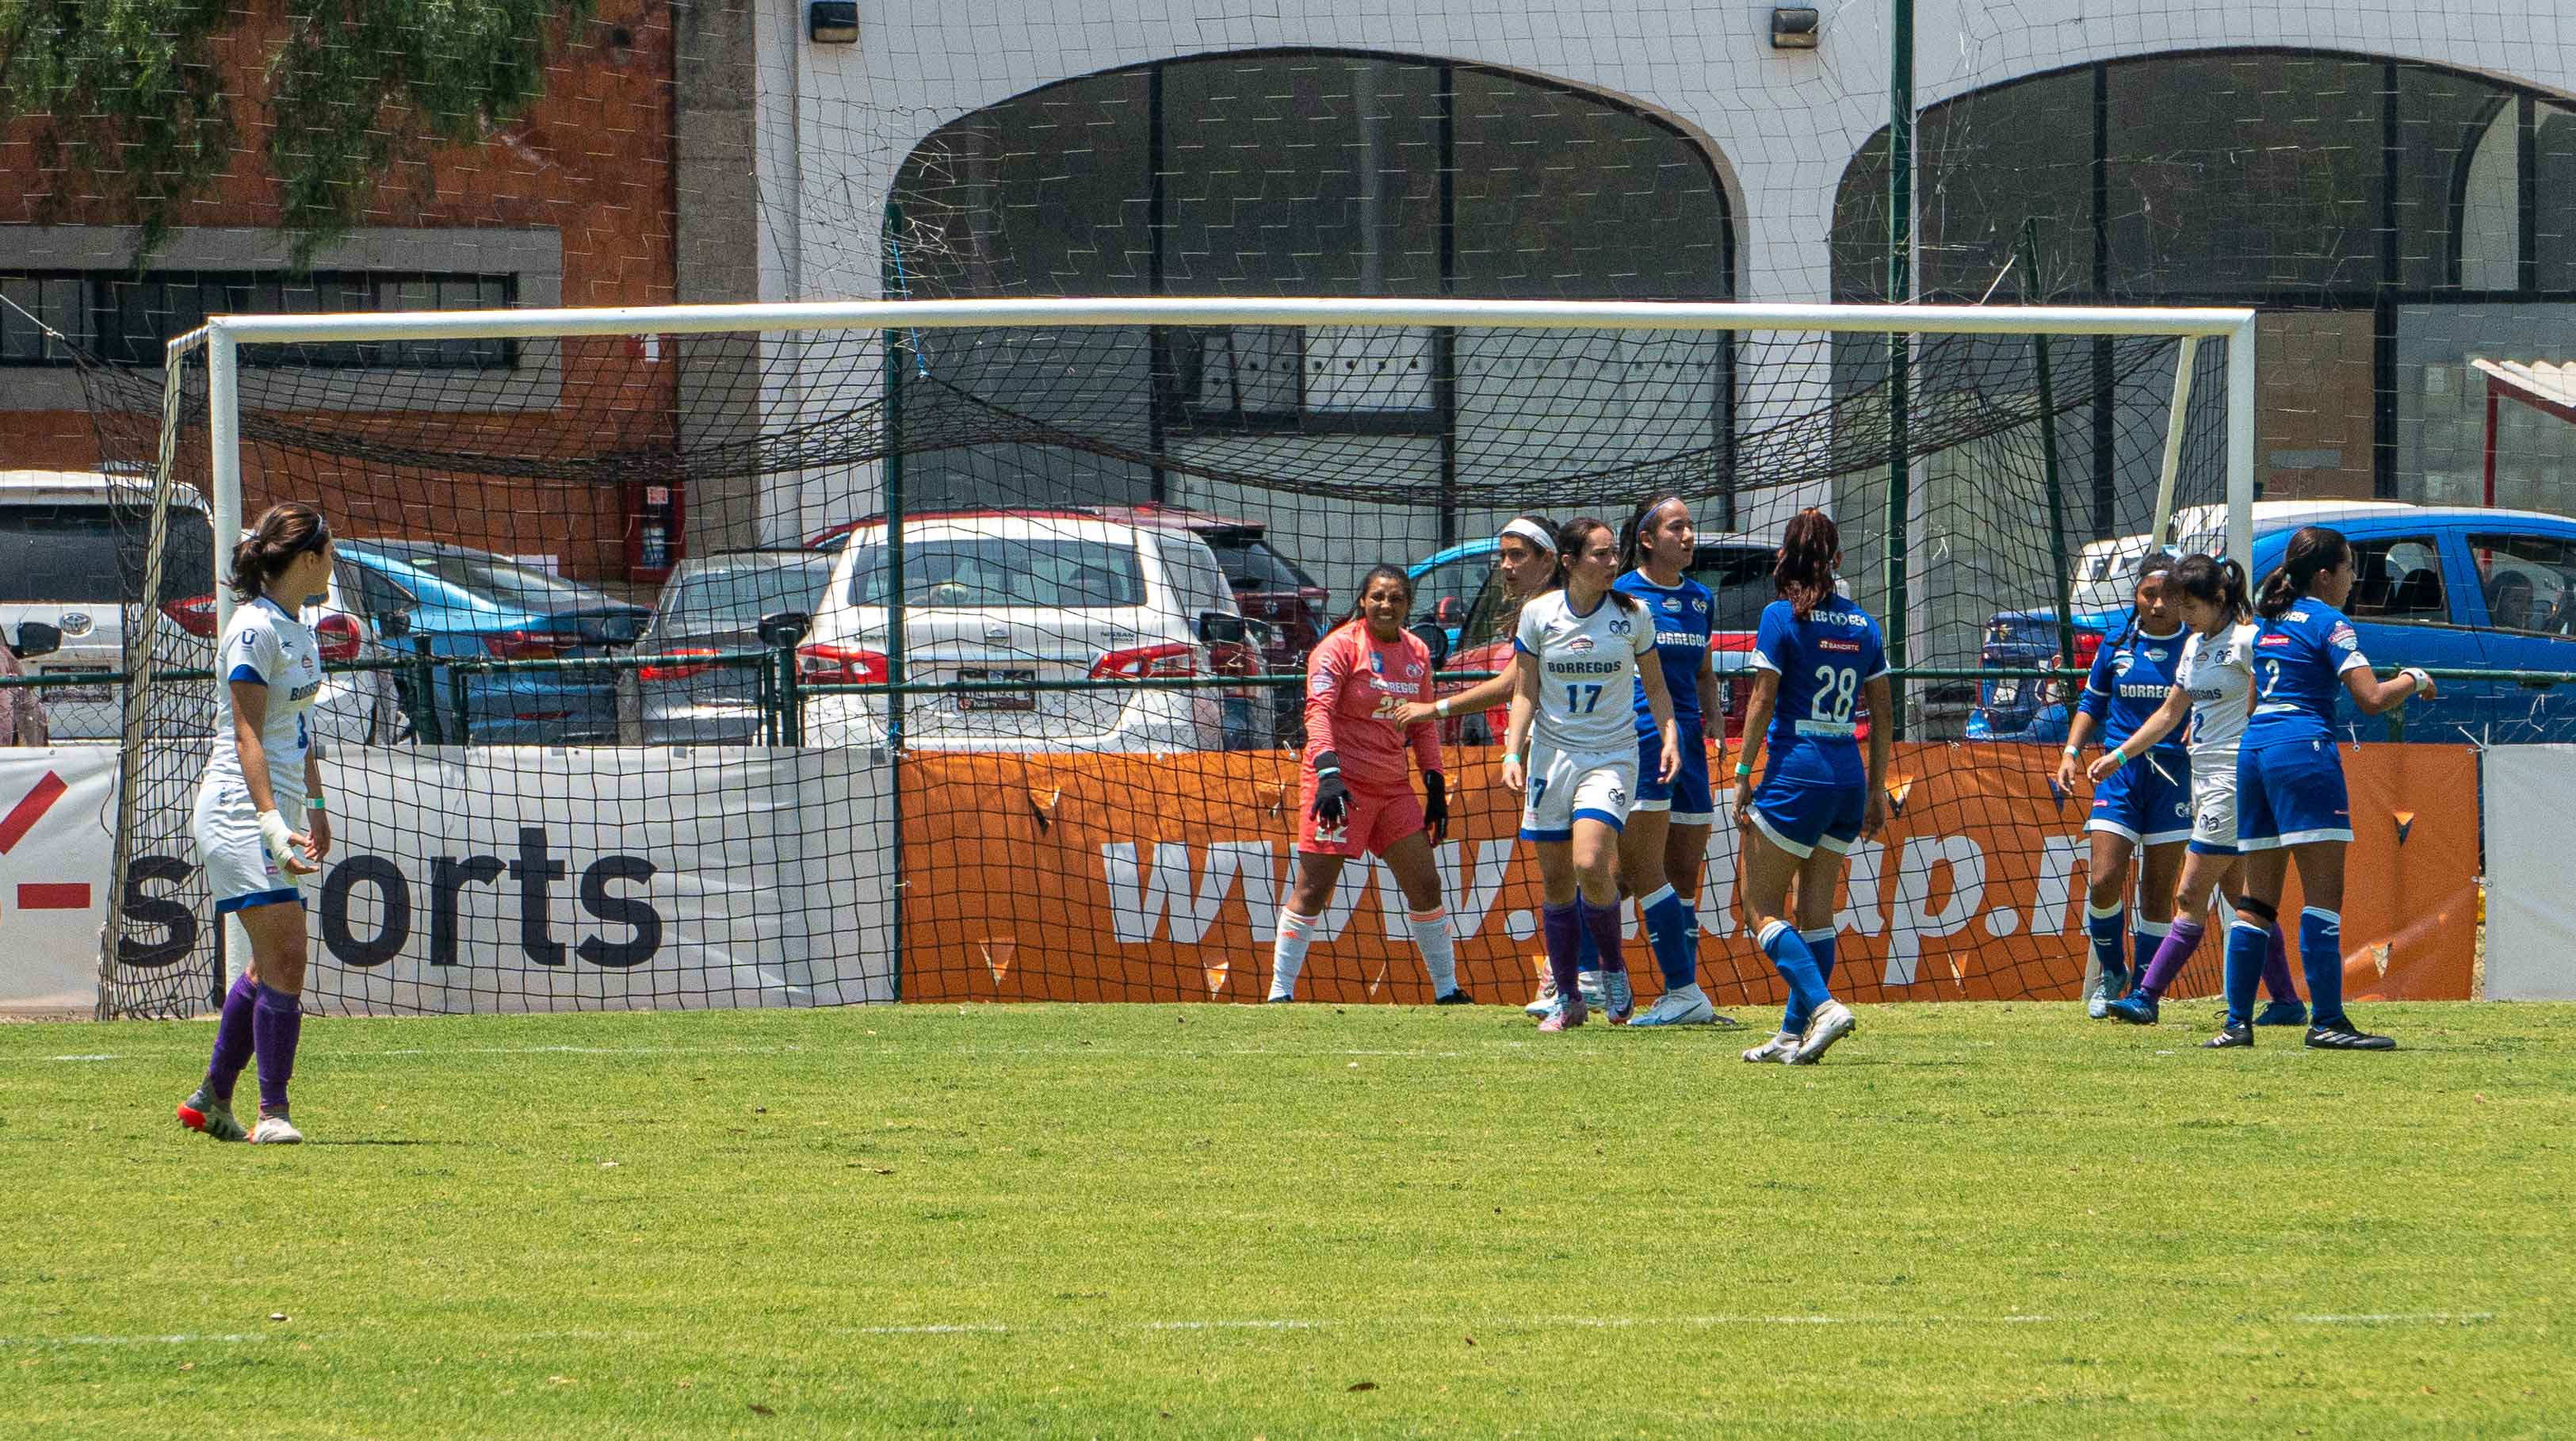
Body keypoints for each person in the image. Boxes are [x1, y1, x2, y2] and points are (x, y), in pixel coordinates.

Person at [2211, 526, 2433, 1050]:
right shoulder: (2331, 623)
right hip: (2302, 753)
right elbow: (2373, 698)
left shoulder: (2269, 623)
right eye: (2351, 568)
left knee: (2256, 900)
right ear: (2326, 574)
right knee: (2322, 897)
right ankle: (2328, 1021)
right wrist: (2416, 677)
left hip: (2255, 752)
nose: (2354, 581)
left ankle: (2235, 1023)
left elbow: (2250, 705)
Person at [174, 503, 336, 1145]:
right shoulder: (252, 628)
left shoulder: (300, 628)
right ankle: (273, 1114)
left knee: (268, 961)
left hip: (277, 810)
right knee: (288, 956)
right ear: (306, 559)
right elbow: (246, 736)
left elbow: (298, 730)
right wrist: (271, 823)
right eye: (330, 550)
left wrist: (316, 808)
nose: (335, 560)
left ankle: (211, 1097)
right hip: (239, 814)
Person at [2092, 553, 2307, 1026]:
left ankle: (2146, 995)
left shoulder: (2250, 640)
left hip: (2235, 780)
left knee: (2189, 894)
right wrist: (2120, 755)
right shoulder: (2194, 646)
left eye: (2189, 608)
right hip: (2204, 778)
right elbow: (2170, 714)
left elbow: (2272, 695)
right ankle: (2288, 1002)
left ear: (2218, 599)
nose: (2181, 617)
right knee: (2242, 896)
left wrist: (2254, 737)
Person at [1502, 518, 1679, 1030]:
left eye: (1613, 554)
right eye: (1600, 555)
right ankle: (1569, 999)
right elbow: (1525, 692)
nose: (1612, 563)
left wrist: (1670, 735)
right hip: (1552, 758)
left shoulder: (1633, 616)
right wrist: (1512, 753)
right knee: (1556, 882)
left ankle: (1613, 969)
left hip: (1611, 756)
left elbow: (1658, 687)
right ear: (1570, 562)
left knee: (1589, 862)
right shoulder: (1539, 615)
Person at [1387, 514, 1565, 1013]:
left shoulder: (1560, 609)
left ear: (1549, 560)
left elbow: (1511, 684)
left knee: (1601, 870)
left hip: (1589, 755)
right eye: (1502, 557)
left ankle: (1577, 975)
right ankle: (1576, 975)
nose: (1506, 567)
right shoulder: (1535, 609)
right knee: (1575, 871)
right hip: (1552, 754)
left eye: (1517, 556)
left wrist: (1434, 708)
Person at [1269, 565, 1467, 1004]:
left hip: (1394, 789)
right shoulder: (1338, 647)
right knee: (1313, 889)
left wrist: (1433, 785)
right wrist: (1328, 773)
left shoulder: (1417, 652)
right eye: (1378, 596)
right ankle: (1279, 994)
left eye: (1396, 598)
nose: (1386, 605)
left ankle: (1447, 992)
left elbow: (1424, 725)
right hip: (1341, 786)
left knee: (1427, 886)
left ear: (1408, 606)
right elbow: (1317, 712)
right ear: (1363, 600)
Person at [1731, 509, 1886, 1065]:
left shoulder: (1779, 617)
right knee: (1816, 911)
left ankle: (1823, 1008)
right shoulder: (1866, 625)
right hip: (1848, 774)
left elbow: (1762, 700)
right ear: (1837, 561)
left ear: (1784, 560)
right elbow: (1884, 717)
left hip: (1797, 773)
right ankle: (1793, 1034)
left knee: (1761, 908)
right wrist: (1875, 791)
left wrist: (1743, 774)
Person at [1606, 495, 1733, 1028]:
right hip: (1639, 742)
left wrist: (1715, 720)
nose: (1689, 536)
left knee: (1683, 872)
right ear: (1647, 538)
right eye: (1677, 527)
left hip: (1691, 751)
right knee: (1627, 870)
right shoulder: (1621, 595)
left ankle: (1681, 996)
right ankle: (1579, 972)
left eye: (1691, 528)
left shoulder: (1701, 599)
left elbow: (1703, 672)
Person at [2054, 555, 2193, 1017]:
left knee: (2157, 892)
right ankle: (2113, 973)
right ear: (2136, 595)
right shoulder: (2116, 643)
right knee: (2103, 880)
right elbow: (2091, 703)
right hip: (2119, 773)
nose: (2156, 604)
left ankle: (2143, 992)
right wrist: (2072, 752)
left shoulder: (2195, 646)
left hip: (2175, 778)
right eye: (2148, 594)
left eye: (2166, 595)